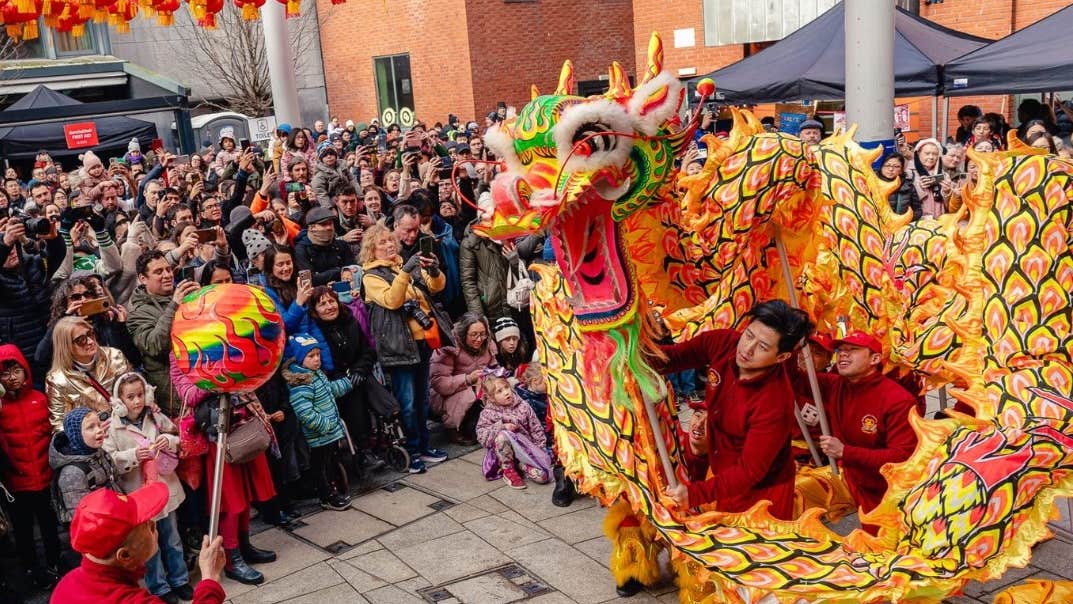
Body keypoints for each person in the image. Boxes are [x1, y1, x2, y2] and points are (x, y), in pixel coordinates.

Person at [661, 299, 813, 518]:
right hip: (724, 475)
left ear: (781, 357)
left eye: (762, 347)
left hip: (764, 493)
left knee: (755, 550)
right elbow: (673, 357)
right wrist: (632, 349)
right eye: (749, 335)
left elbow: (749, 471)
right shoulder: (723, 343)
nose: (747, 349)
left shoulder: (774, 402)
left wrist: (695, 494)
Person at [800, 332, 917, 532]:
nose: (843, 355)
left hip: (887, 493)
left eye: (852, 350)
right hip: (850, 480)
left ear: (875, 359)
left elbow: (902, 457)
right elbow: (794, 376)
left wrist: (846, 452)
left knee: (885, 547)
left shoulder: (898, 400)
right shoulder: (836, 385)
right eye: (840, 350)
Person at [361, 224, 449, 473]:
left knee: (422, 399)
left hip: (421, 342)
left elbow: (436, 287)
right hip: (398, 347)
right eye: (382, 243)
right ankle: (410, 450)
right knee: (407, 403)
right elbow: (392, 300)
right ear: (371, 250)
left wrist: (433, 269)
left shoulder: (403, 265)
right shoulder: (371, 277)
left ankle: (423, 445)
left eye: (391, 240)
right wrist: (406, 272)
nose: (389, 246)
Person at [49, 482, 227, 604]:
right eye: (149, 525)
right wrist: (209, 579)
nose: (154, 525)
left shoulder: (65, 586)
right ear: (125, 555)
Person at [102, 372, 191, 603]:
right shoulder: (112, 426)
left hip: (165, 489)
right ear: (120, 401)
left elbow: (176, 435)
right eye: (130, 397)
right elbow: (109, 458)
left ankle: (180, 579)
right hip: (140, 496)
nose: (137, 401)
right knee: (148, 547)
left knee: (172, 538)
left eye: (140, 395)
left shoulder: (155, 416)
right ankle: (159, 587)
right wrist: (132, 455)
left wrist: (169, 441)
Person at [0, 344, 62, 589]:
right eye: (5, 374)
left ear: (26, 370)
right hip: (16, 484)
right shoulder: (1, 408)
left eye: (16, 371)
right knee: (23, 531)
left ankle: (55, 563)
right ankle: (32, 569)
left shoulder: (40, 399)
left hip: (45, 478)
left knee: (49, 525)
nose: (12, 378)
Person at [308, 286, 381, 474]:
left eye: (331, 301)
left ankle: (387, 424)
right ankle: (363, 451)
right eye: (322, 304)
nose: (329, 306)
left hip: (358, 373)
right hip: (333, 380)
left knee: (369, 385)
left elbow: (367, 351)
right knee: (352, 395)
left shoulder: (350, 321)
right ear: (315, 310)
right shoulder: (316, 332)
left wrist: (359, 370)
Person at [282, 333, 354, 511]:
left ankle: (333, 489)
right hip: (320, 435)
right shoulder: (301, 383)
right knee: (321, 466)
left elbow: (329, 390)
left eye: (318, 355)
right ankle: (326, 496)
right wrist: (325, 425)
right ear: (300, 359)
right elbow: (304, 412)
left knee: (330, 462)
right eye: (311, 356)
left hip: (330, 432)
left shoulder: (316, 374)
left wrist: (347, 382)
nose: (316, 359)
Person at [127, 250, 200, 416]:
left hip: (204, 382)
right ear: (143, 279)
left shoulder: (186, 296)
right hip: (176, 399)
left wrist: (202, 300)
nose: (167, 275)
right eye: (158, 272)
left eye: (168, 269)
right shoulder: (137, 314)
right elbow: (155, 346)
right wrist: (174, 305)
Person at [46, 316, 134, 431]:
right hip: (96, 441)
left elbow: (135, 388)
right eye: (81, 340)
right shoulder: (57, 380)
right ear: (66, 346)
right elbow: (60, 426)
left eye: (91, 334)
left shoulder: (114, 356)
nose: (91, 341)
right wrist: (90, 432)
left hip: (129, 427)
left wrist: (147, 401)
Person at [431, 313, 499, 445]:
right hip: (447, 396)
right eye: (474, 335)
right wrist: (467, 379)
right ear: (464, 333)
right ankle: (453, 428)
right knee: (469, 394)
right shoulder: (449, 345)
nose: (479, 339)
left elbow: (494, 366)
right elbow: (439, 383)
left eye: (483, 334)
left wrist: (492, 376)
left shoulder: (487, 344)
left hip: (480, 391)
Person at [475, 374, 551, 489]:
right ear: (491, 398)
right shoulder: (488, 413)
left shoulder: (523, 406)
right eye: (499, 391)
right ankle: (508, 470)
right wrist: (502, 426)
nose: (506, 392)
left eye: (506, 387)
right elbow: (482, 436)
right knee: (503, 435)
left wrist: (540, 451)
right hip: (501, 455)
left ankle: (522, 466)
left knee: (543, 477)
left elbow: (536, 429)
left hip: (525, 451)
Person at [48, 407, 123, 523]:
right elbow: (81, 515)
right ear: (76, 434)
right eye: (90, 427)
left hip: (115, 517)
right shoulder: (72, 472)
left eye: (99, 424)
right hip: (98, 529)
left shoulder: (101, 453)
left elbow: (116, 482)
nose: (99, 430)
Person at [294, 206, 356, 286]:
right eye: (323, 224)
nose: (329, 227)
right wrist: (339, 271)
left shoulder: (341, 245)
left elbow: (353, 270)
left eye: (330, 223)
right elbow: (310, 280)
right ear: (312, 228)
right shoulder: (301, 249)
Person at [905, 138, 951, 220]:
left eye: (935, 154)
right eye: (927, 153)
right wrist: (919, 188)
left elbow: (950, 206)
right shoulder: (908, 173)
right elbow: (904, 201)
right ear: (918, 153)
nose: (931, 157)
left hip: (941, 220)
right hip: (918, 221)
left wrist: (946, 192)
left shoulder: (943, 175)